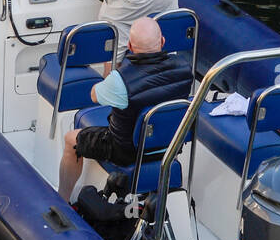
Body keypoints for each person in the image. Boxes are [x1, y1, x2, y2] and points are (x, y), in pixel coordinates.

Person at [58, 16, 193, 202]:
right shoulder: (185, 70)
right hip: (167, 147)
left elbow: (93, 95)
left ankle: (62, 200)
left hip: (126, 152)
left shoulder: (120, 80)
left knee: (71, 140)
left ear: (129, 46)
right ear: (162, 41)